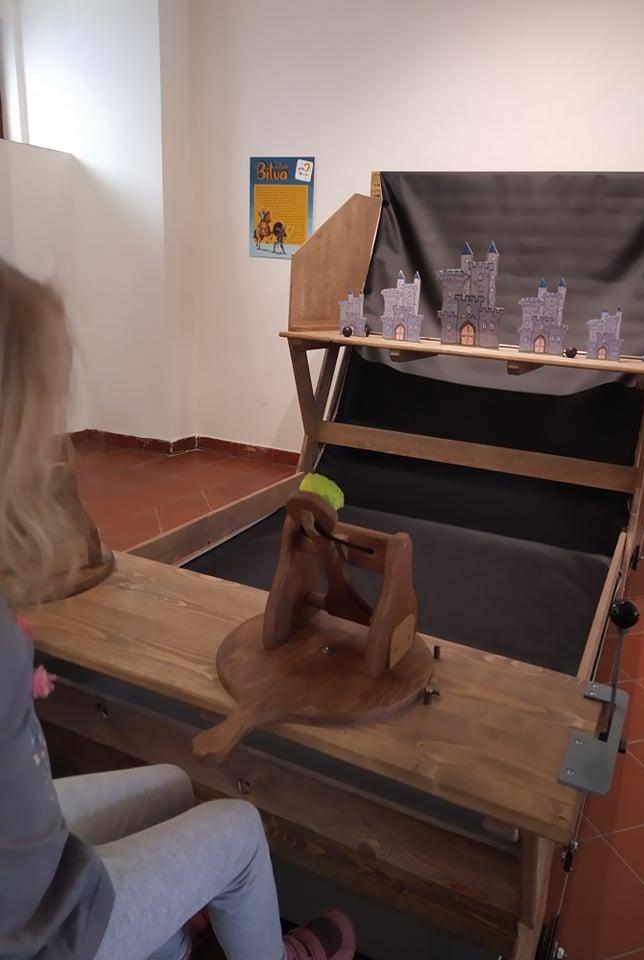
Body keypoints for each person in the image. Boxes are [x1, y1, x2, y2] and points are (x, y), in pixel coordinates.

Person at [0, 259, 356, 960]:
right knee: (239, 831)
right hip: (41, 932)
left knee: (171, 787)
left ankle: (171, 937)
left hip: (30, 868)